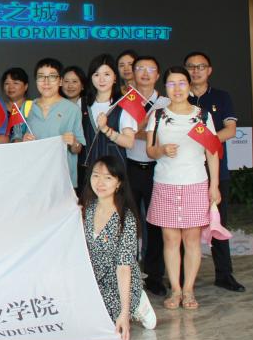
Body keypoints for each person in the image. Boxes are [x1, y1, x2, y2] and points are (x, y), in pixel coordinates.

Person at [145, 66, 221, 311]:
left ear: (189, 86)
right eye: (171, 84)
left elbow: (212, 152)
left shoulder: (202, 116)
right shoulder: (158, 115)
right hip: (165, 183)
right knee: (170, 239)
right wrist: (161, 150)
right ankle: (175, 289)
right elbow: (150, 150)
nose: (176, 88)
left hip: (195, 183)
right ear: (165, 87)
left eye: (181, 83)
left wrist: (214, 185)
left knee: (191, 239)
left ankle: (188, 289)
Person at [81, 154, 156, 340]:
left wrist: (124, 312)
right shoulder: (86, 209)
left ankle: (136, 303)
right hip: (94, 279)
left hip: (119, 280)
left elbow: (123, 267)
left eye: (108, 177)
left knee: (105, 320)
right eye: (96, 175)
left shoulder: (126, 219)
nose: (100, 182)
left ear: (118, 183)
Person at [185, 51, 245, 293]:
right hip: (186, 172)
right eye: (191, 67)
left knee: (218, 223)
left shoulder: (221, 97)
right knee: (184, 225)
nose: (196, 71)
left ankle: (224, 275)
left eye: (201, 66)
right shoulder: (179, 97)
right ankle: (183, 278)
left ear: (209, 70)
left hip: (216, 170)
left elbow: (230, 130)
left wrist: (205, 142)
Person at [125, 55, 170, 297]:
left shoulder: (166, 102)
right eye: (140, 68)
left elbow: (164, 137)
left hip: (157, 169)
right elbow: (122, 134)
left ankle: (154, 276)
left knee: (155, 224)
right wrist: (146, 133)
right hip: (129, 168)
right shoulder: (125, 101)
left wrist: (137, 132)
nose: (144, 73)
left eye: (150, 69)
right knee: (128, 224)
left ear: (158, 75)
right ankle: (129, 275)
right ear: (132, 73)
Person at [11, 58, 85, 187]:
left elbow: (78, 149)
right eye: (41, 77)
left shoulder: (72, 110)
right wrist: (22, 141)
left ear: (60, 81)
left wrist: (74, 142)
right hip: (33, 177)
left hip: (62, 180)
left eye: (52, 76)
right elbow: (15, 141)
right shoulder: (27, 107)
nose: (46, 82)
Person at [79, 54, 137, 191]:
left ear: (115, 77)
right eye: (96, 74)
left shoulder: (125, 104)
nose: (101, 79)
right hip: (89, 172)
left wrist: (106, 129)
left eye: (106, 74)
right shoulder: (82, 103)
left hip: (114, 173)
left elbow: (129, 142)